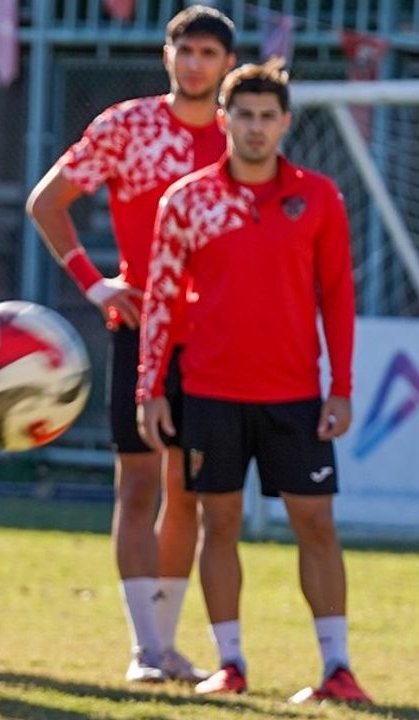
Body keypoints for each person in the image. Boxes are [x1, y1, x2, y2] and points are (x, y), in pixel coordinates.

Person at [138, 59, 372, 704]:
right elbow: (160, 299)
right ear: (225, 120)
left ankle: (338, 669)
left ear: (286, 123)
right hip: (209, 391)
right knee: (220, 524)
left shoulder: (318, 196)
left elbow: (337, 295)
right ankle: (231, 663)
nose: (257, 127)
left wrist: (342, 385)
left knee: (317, 524)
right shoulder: (187, 199)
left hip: (295, 395)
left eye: (269, 116)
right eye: (245, 115)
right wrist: (149, 388)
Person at [25, 4, 234, 683]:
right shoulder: (128, 125)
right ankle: (145, 649)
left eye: (209, 52)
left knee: (191, 489)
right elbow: (46, 202)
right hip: (142, 330)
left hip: (218, 339)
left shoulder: (245, 130)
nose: (197, 62)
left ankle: (169, 644)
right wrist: (95, 286)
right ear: (166, 55)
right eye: (186, 49)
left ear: (228, 63)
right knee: (139, 481)